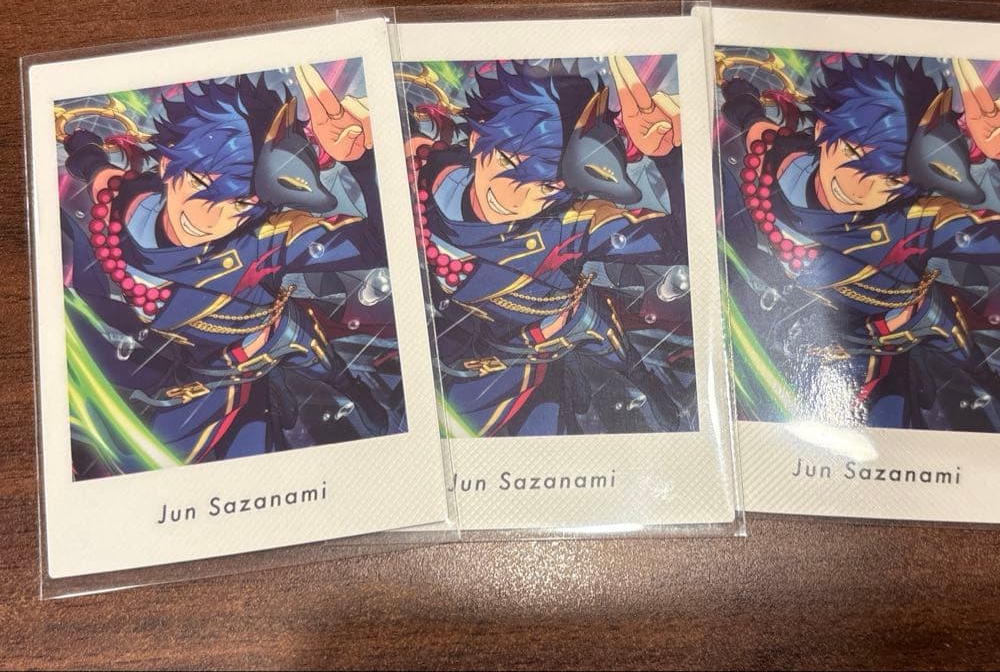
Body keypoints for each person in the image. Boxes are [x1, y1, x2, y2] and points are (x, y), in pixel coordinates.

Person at [63, 65, 393, 475]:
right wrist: (85, 149)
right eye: (202, 184)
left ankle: (359, 395)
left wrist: (366, 161)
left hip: (276, 333)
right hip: (214, 370)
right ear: (167, 166)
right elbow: (101, 173)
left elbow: (380, 243)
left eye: (239, 203)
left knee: (328, 368)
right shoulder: (122, 204)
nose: (208, 216)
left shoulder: (268, 237)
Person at [720, 54, 1000, 432]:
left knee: (972, 364)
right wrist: (742, 101)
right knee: (885, 424)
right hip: (859, 343)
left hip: (922, 313)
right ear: (822, 129)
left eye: (891, 180)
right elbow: (756, 126)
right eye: (854, 155)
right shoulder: (776, 157)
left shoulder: (914, 220)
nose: (860, 189)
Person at [410, 56, 692, 436]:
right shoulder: (424, 186)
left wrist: (672, 158)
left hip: (573, 320)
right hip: (504, 354)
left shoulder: (569, 224)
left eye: (544, 185)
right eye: (509, 162)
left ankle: (652, 390)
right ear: (477, 141)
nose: (513, 194)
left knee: (621, 358)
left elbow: (680, 240)